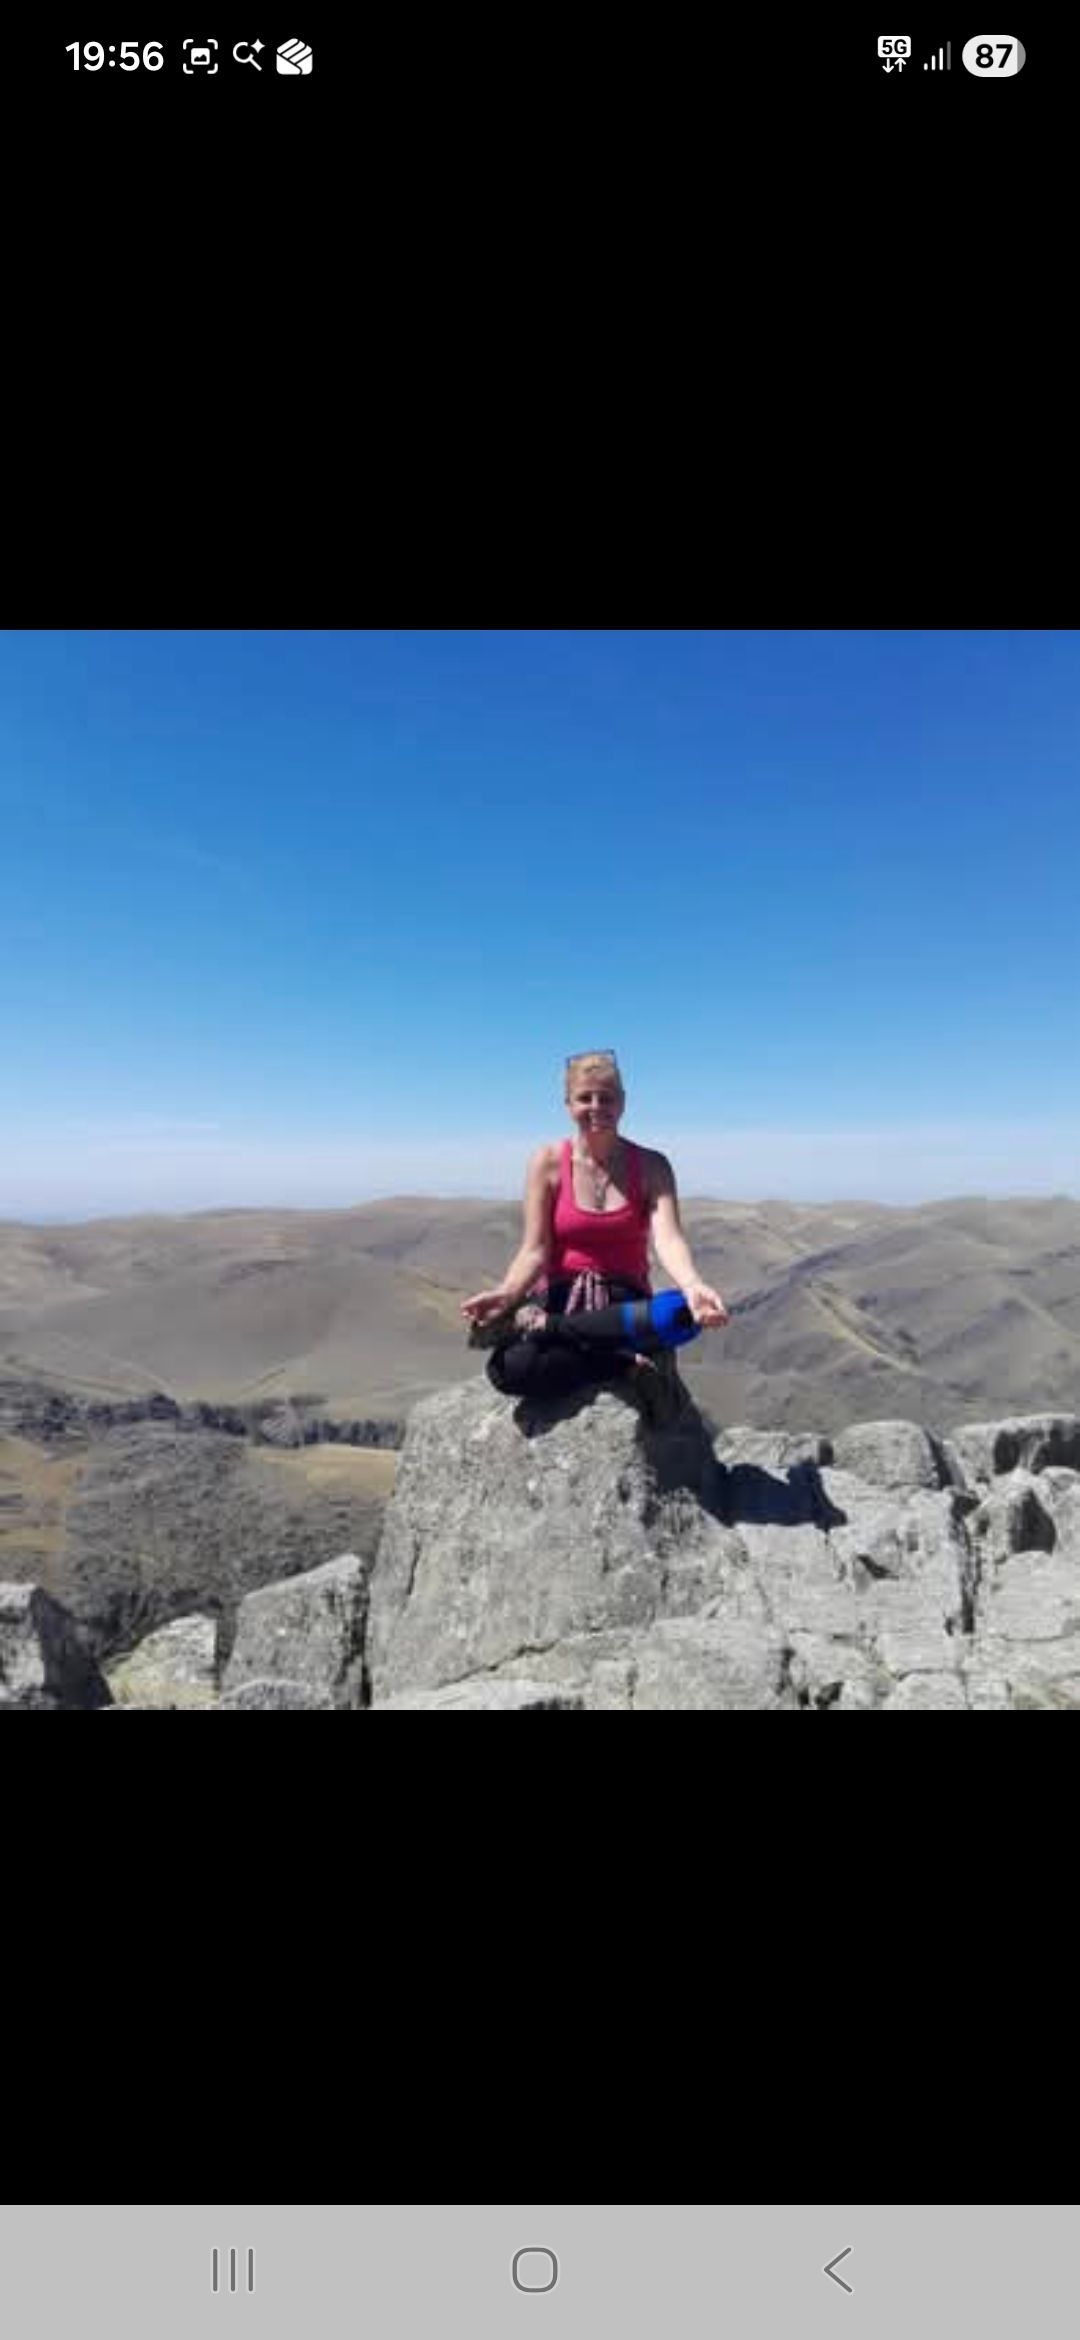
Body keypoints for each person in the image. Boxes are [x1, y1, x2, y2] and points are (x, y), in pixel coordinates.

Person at [460, 1049, 730, 1424]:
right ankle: (621, 1362)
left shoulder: (652, 1165)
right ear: (567, 1103)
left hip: (623, 1301)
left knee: (679, 1314)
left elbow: (668, 1238)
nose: (596, 1106)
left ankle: (560, 1333)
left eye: (607, 1097)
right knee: (508, 1370)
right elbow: (535, 1250)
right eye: (585, 1097)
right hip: (562, 1296)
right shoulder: (548, 1163)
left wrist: (692, 1284)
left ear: (623, 1103)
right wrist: (507, 1293)